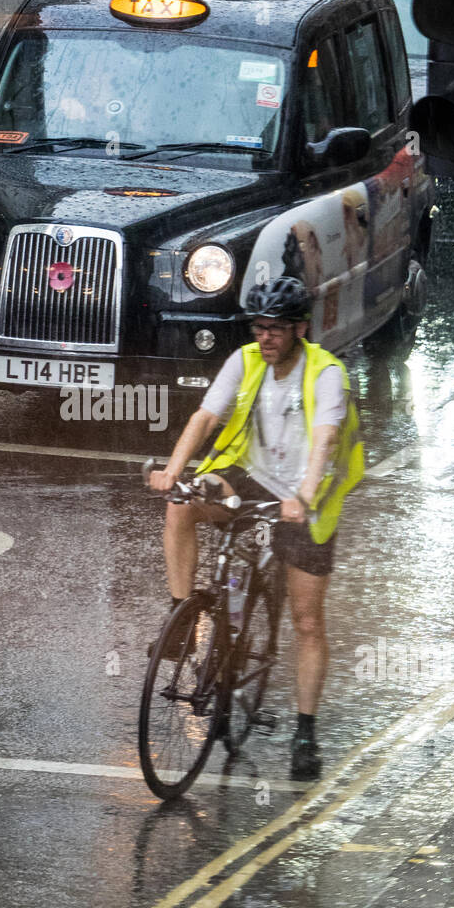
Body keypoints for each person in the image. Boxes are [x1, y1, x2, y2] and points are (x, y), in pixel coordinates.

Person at [148, 276, 364, 781]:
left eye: (276, 330)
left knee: (308, 622)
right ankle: (182, 614)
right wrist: (174, 471)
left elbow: (327, 441)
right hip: (252, 477)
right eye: (260, 327)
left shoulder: (326, 374)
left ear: (300, 330)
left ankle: (305, 730)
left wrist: (304, 497)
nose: (265, 338)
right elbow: (206, 417)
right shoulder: (245, 360)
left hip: (307, 497)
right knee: (181, 506)